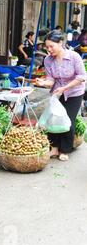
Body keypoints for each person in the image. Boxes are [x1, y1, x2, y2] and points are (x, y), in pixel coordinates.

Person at [33, 30, 87, 162]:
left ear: (61, 43)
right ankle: (54, 148)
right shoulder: (48, 60)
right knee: (53, 118)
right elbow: (51, 79)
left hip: (74, 92)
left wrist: (65, 88)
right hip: (57, 93)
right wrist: (43, 82)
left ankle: (65, 150)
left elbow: (82, 77)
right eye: (47, 47)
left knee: (68, 120)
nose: (49, 49)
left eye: (52, 46)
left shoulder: (74, 57)